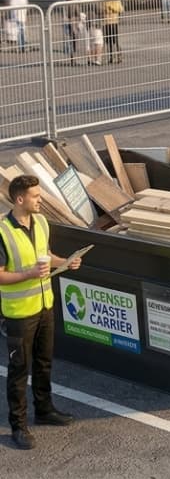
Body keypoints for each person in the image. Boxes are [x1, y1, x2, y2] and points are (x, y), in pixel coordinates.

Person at [1, 174, 84, 450]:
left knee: (44, 362)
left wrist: (67, 261)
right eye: (36, 196)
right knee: (18, 370)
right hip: (19, 314)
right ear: (20, 198)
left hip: (44, 306)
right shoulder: (2, 231)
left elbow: (46, 256)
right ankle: (19, 426)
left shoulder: (42, 222)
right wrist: (29, 273)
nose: (41, 199)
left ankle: (44, 410)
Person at [103, 0, 123, 64]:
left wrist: (109, 8)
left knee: (109, 40)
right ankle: (119, 56)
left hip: (107, 21)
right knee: (115, 39)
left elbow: (103, 9)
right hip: (115, 20)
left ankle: (111, 57)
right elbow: (121, 9)